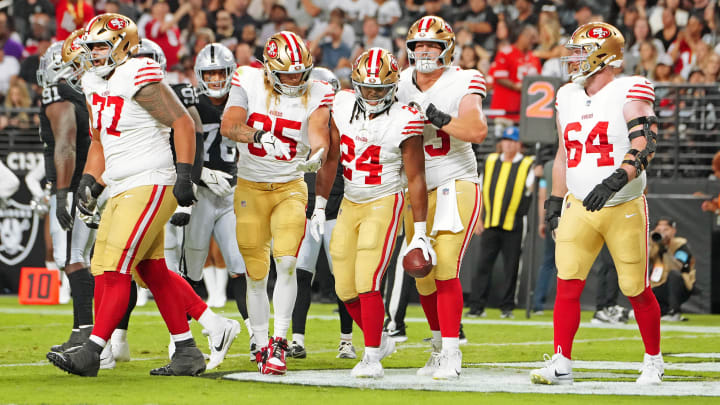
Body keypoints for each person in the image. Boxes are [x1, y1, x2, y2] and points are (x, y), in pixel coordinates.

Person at [46, 13, 236, 377]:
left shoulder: (136, 72)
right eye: (92, 47)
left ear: (122, 45)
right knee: (147, 268)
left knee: (114, 267)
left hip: (151, 179)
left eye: (101, 46)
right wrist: (90, 180)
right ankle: (190, 347)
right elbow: (101, 141)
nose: (94, 54)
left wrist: (185, 176)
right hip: (121, 183)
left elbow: (182, 123)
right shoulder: (93, 81)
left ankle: (94, 351)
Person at [530, 22, 663, 386]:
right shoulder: (567, 95)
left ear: (603, 55)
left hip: (623, 203)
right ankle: (561, 361)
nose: (573, 59)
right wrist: (555, 200)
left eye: (581, 51)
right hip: (579, 205)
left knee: (635, 287)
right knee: (567, 282)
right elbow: (562, 155)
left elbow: (646, 144)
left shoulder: (629, 89)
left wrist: (615, 179)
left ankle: (653, 359)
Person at [220, 30, 334, 375]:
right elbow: (229, 125)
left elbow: (318, 132)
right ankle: (258, 340)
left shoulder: (318, 89)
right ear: (268, 68)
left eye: (300, 71)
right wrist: (259, 135)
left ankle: (280, 342)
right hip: (250, 186)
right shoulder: (247, 78)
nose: (295, 79)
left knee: (286, 263)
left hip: (290, 186)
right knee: (256, 272)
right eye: (286, 72)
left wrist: (317, 154)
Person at [329, 47, 432, 378]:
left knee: (367, 279)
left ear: (393, 86)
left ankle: (371, 356)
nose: (373, 94)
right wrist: (318, 203)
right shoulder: (341, 103)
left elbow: (416, 177)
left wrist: (419, 231)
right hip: (350, 200)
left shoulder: (406, 117)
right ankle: (381, 339)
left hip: (385, 199)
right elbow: (329, 152)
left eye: (380, 88)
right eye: (367, 88)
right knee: (344, 288)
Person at [396, 15, 486, 380]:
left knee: (445, 265)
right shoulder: (400, 82)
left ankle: (452, 351)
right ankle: (436, 347)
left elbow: (476, 129)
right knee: (422, 273)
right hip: (414, 187)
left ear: (447, 48)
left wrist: (435, 115)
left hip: (454, 181)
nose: (425, 51)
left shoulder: (464, 79)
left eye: (432, 44)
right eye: (419, 45)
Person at [288, 67, 357, 361]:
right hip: (304, 208)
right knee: (300, 274)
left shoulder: (343, 124)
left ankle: (346, 340)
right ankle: (297, 340)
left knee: (341, 278)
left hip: (334, 209)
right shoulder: (298, 121)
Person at [36, 37, 96, 360]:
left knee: (73, 259)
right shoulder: (83, 96)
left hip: (74, 186)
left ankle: (87, 333)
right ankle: (86, 332)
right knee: (81, 259)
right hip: (89, 185)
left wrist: (62, 194)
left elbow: (66, 144)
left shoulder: (58, 93)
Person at [468, 127, 536, 320]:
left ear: (519, 144)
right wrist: (478, 218)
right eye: (505, 140)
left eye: (512, 141)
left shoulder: (527, 164)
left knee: (512, 267)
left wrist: (538, 175)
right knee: (482, 265)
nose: (508, 144)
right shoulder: (490, 162)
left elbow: (531, 188)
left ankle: (507, 307)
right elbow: (480, 191)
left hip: (513, 224)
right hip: (490, 222)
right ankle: (476, 306)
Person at [650, 217, 696, 321]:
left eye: (665, 230)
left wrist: (666, 250)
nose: (662, 233)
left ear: (673, 231)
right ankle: (660, 311)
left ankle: (675, 312)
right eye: (659, 230)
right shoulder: (653, 244)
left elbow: (678, 267)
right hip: (659, 284)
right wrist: (650, 243)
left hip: (681, 285)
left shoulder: (680, 244)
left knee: (674, 275)